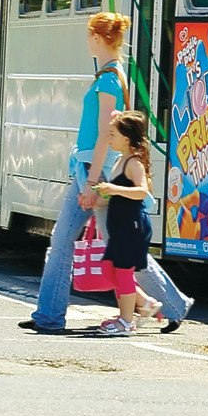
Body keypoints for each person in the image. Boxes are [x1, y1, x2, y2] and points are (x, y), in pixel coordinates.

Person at [19, 11, 193, 334]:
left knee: (103, 243)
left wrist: (93, 181)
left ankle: (171, 304)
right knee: (83, 241)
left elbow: (103, 133)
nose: (87, 42)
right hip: (88, 168)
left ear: (98, 38)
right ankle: (49, 314)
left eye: (89, 36)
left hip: (92, 169)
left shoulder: (110, 79)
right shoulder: (111, 76)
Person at [92, 112, 153, 336]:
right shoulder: (120, 160)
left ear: (126, 138)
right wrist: (99, 197)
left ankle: (127, 322)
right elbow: (116, 195)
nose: (109, 139)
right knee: (111, 271)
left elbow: (141, 191)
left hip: (133, 225)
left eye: (113, 134)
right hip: (120, 226)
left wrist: (114, 189)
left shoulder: (133, 162)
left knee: (123, 273)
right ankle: (143, 305)